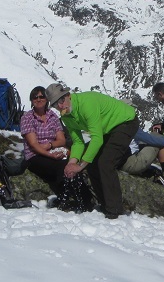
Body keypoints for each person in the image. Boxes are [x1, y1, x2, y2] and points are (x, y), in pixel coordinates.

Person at [45, 83, 138, 219]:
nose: (60, 106)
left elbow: (97, 139)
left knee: (106, 163)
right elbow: (78, 142)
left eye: (61, 100)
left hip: (126, 121)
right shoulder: (66, 116)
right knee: (93, 164)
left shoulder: (86, 104)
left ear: (68, 96)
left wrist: (80, 166)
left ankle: (115, 209)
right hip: (108, 128)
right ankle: (105, 204)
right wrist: (72, 163)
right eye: (55, 104)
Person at [20, 85, 68, 196]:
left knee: (69, 163)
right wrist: (50, 155)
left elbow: (61, 140)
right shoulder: (27, 118)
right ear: (31, 101)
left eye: (41, 96)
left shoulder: (53, 116)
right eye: (34, 97)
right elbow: (33, 145)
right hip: (35, 156)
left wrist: (50, 145)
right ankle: (64, 197)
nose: (38, 99)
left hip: (52, 150)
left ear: (46, 99)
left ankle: (85, 200)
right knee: (60, 167)